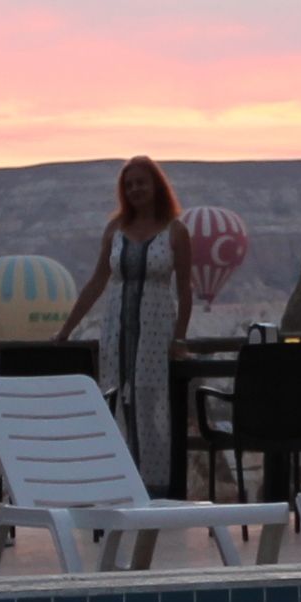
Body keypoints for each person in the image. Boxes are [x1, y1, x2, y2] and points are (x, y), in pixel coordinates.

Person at [58, 155, 195, 494]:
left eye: (141, 183)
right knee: (115, 400)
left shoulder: (176, 231)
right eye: (129, 184)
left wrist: (179, 339)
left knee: (152, 404)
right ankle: (117, 482)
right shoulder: (115, 230)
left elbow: (185, 290)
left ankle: (154, 487)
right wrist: (66, 330)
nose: (135, 190)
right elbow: (96, 282)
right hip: (116, 328)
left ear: (156, 186)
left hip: (156, 329)